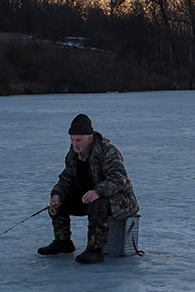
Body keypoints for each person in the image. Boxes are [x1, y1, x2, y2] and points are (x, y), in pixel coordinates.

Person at [37, 113, 139, 264]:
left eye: (78, 140)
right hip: (88, 196)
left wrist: (98, 191)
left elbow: (119, 179)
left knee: (97, 204)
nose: (74, 143)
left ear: (90, 138)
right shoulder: (73, 154)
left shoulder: (108, 151)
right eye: (72, 139)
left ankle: (95, 250)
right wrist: (57, 194)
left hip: (119, 200)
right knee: (59, 201)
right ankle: (63, 241)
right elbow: (67, 177)